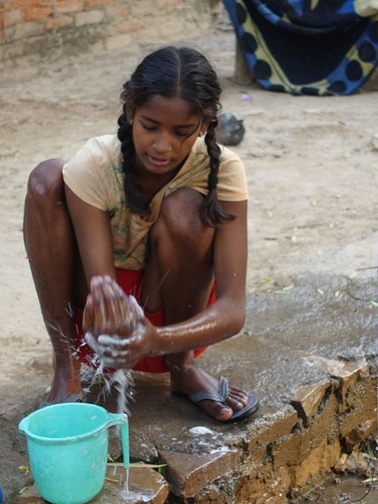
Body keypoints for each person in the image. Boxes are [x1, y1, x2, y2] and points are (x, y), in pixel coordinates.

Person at [23, 46, 260, 423]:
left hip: (175, 324)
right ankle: (66, 372)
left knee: (186, 210)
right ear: (130, 109)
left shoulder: (224, 171)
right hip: (98, 329)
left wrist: (158, 340)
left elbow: (232, 311)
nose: (162, 146)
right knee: (47, 177)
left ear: (204, 125)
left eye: (181, 132)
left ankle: (182, 370)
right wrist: (111, 316)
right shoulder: (97, 162)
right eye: (150, 126)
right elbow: (104, 294)